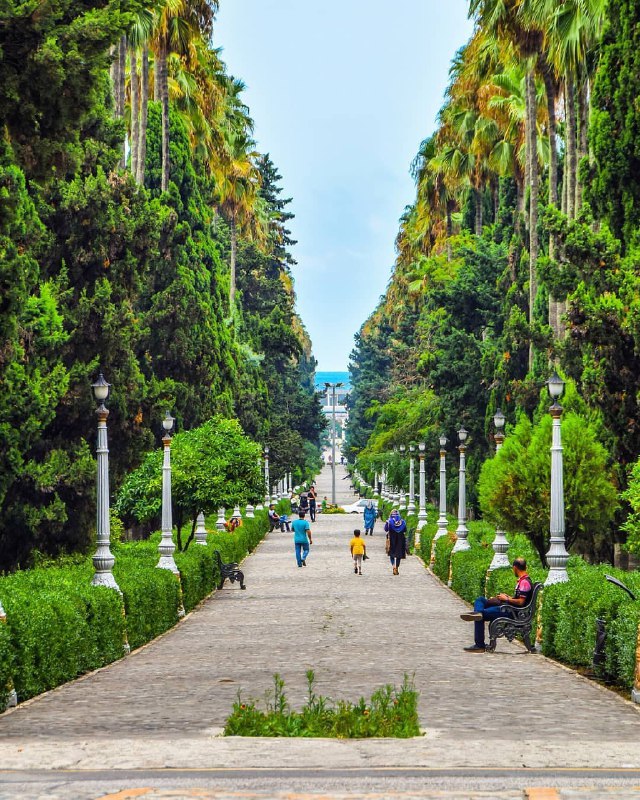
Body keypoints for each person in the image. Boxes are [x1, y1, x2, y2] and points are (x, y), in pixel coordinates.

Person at [460, 557, 534, 652]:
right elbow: (518, 599)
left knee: (481, 615)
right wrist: (506, 597)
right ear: (525, 567)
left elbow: (521, 602)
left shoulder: (524, 583)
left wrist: (506, 599)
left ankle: (479, 645)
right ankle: (478, 613)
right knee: (481, 600)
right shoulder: (523, 580)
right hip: (510, 609)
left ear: (515, 568)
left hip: (511, 612)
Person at [385, 510, 407, 575]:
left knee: (391, 554)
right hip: (400, 540)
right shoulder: (402, 522)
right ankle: (397, 567)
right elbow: (405, 529)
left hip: (392, 539)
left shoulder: (389, 521)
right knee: (398, 554)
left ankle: (393, 566)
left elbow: (386, 529)